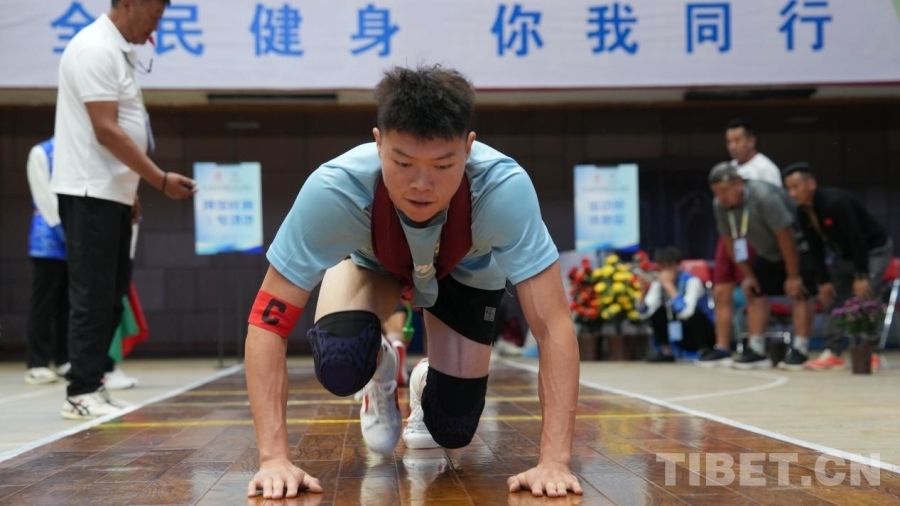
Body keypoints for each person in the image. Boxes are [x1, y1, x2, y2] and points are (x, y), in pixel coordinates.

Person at [244, 65, 582, 500]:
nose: (422, 184)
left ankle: (424, 383)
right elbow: (266, 322)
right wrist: (273, 459)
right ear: (378, 142)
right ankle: (381, 367)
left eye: (443, 165)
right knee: (340, 362)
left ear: (469, 147)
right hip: (374, 266)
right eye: (403, 163)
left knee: (452, 426)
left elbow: (554, 326)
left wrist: (554, 461)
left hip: (465, 273)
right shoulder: (334, 190)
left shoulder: (504, 190)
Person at [51, 0, 196, 420]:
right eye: (155, 15)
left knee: (111, 295)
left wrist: (129, 190)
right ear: (132, 3)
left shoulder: (116, 50)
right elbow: (106, 130)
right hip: (88, 192)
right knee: (91, 295)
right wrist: (159, 180)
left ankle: (94, 383)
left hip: (111, 193)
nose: (156, 26)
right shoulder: (95, 48)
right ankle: (79, 392)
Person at [706, 162, 817, 370]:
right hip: (767, 252)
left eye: (725, 191)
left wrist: (793, 276)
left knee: (799, 292)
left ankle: (800, 349)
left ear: (739, 183)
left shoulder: (764, 197)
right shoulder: (720, 205)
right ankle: (756, 349)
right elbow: (730, 242)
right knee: (755, 290)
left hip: (796, 247)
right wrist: (747, 274)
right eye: (716, 193)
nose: (721, 197)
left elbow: (786, 236)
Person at [782, 162, 894, 370]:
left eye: (796, 187)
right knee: (830, 295)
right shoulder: (803, 212)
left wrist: (861, 276)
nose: (792, 193)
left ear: (811, 184)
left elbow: (857, 238)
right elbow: (815, 247)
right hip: (845, 255)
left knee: (866, 293)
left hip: (873, 249)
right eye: (788, 188)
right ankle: (833, 351)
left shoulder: (836, 203)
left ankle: (869, 350)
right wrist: (824, 281)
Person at [701, 119, 782, 366]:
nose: (733, 146)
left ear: (751, 140)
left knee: (754, 289)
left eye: (738, 140)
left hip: (754, 236)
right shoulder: (728, 169)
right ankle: (722, 347)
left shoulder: (765, 168)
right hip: (731, 234)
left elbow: (775, 210)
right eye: (729, 141)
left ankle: (756, 347)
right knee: (721, 290)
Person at [24, 138, 70, 385]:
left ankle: (64, 359)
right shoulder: (41, 152)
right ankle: (37, 362)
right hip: (47, 242)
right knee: (44, 302)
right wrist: (66, 230)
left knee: (69, 303)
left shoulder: (78, 150)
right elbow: (44, 197)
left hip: (76, 241)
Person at [639, 247, 715, 362]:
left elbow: (687, 312)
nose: (665, 271)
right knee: (658, 312)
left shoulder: (692, 281)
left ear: (678, 265)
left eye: (669, 266)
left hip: (699, 331)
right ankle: (666, 351)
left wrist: (670, 287)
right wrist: (643, 293)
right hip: (677, 330)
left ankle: (704, 350)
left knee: (695, 314)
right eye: (662, 267)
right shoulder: (659, 283)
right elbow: (645, 312)